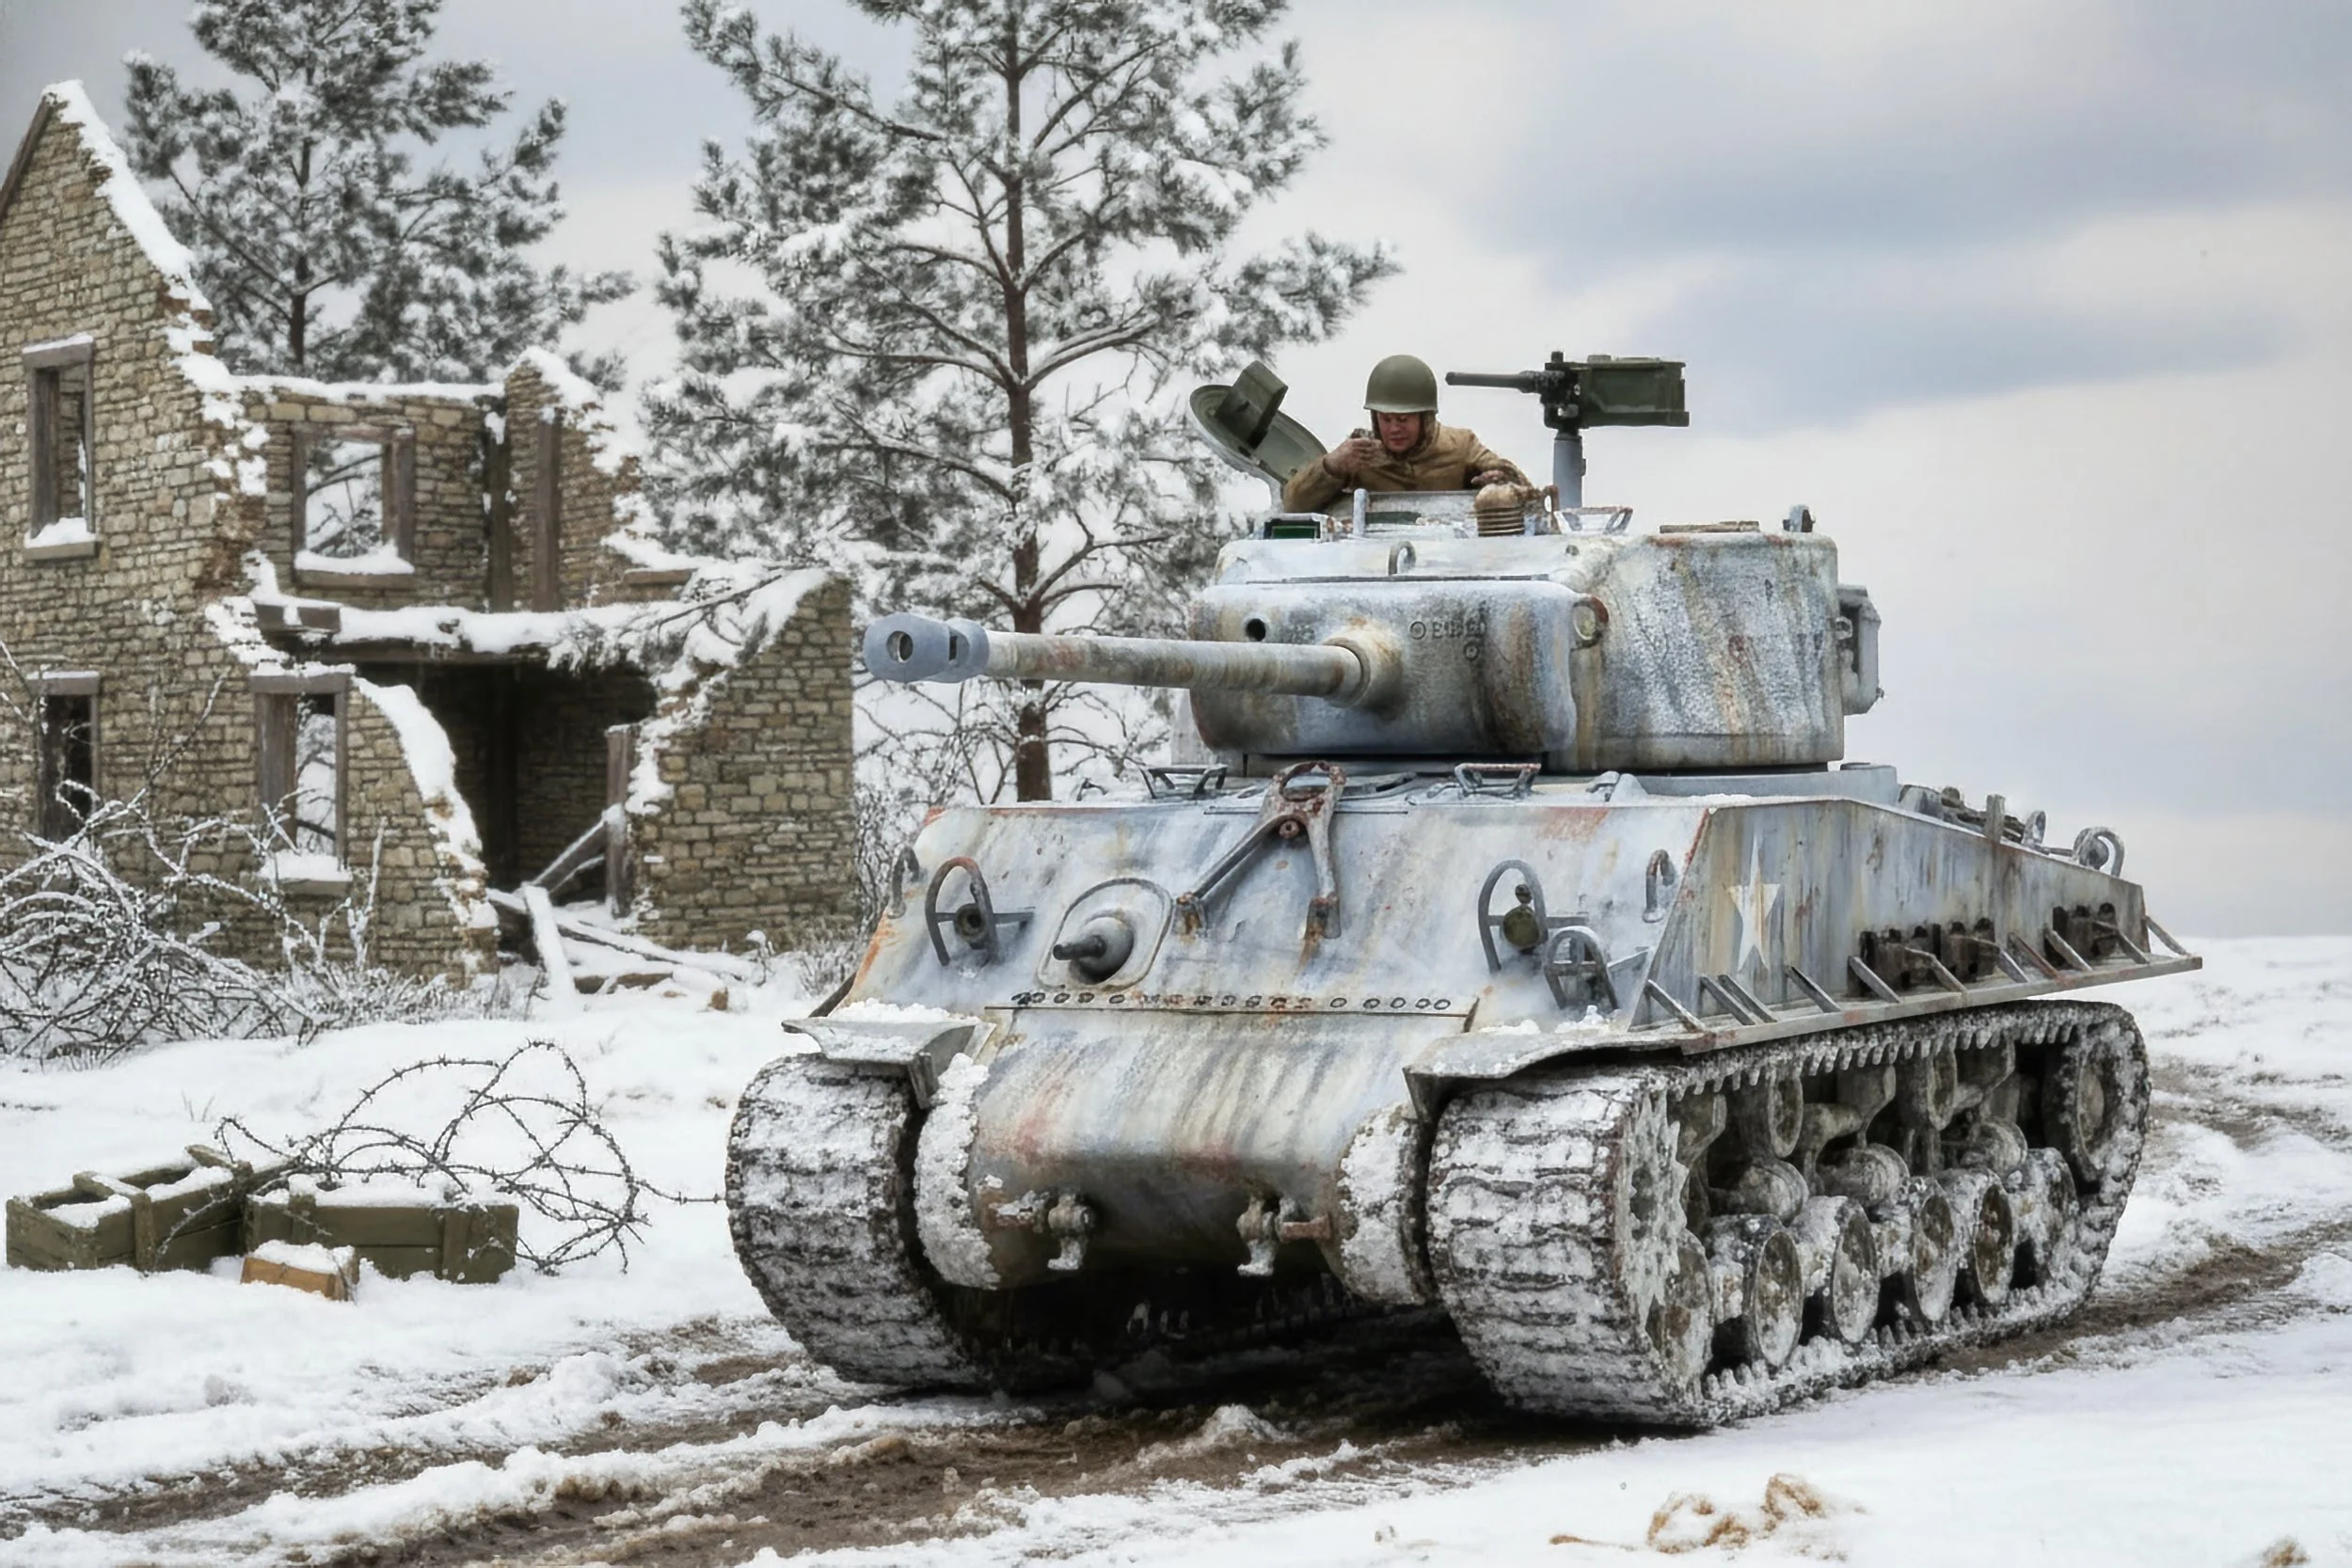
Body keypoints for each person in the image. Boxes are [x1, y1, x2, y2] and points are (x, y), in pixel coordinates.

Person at [1280, 354, 1529, 512]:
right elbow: (1293, 505)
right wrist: (1332, 466)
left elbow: (1523, 489)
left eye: (1403, 419)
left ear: (1426, 418)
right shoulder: (1358, 454)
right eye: (1386, 419)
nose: (1394, 429)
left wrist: (1500, 478)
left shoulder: (1461, 445)